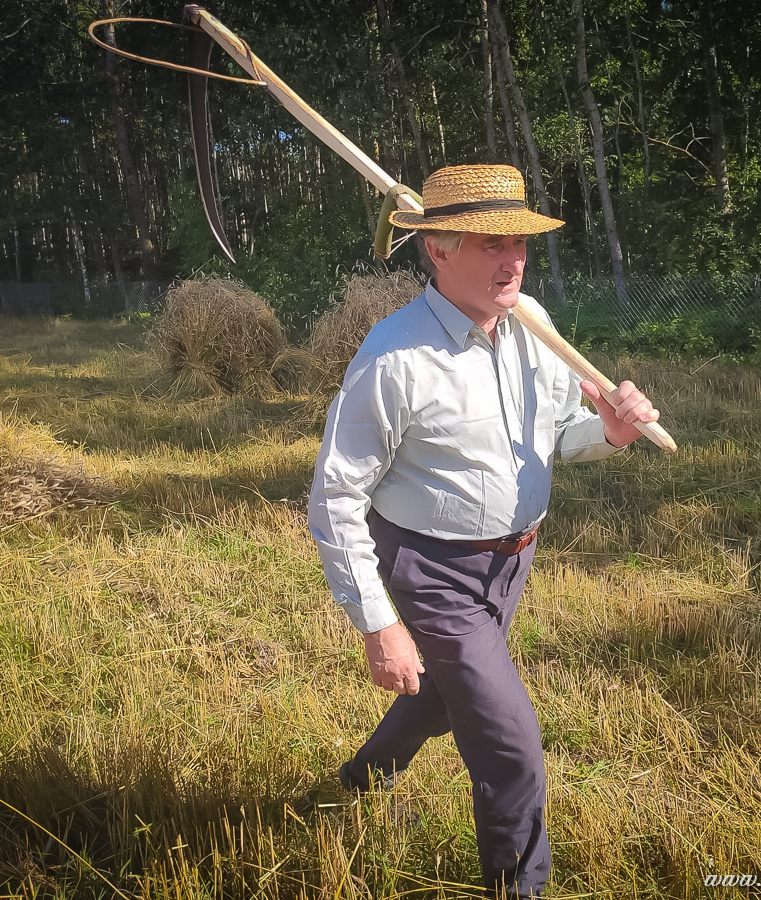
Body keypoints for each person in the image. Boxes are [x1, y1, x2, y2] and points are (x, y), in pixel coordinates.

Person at [307, 164, 659, 899]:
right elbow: (336, 497)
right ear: (437, 249)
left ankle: (357, 782)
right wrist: (378, 626)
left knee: (439, 696)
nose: (513, 260)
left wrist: (611, 432)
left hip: (515, 561)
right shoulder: (393, 357)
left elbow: (561, 433)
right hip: (430, 569)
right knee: (512, 750)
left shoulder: (532, 322)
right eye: (492, 242)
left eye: (521, 243)